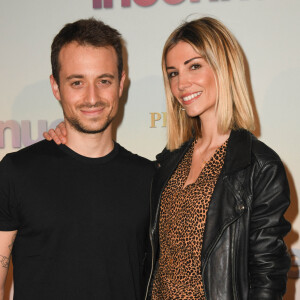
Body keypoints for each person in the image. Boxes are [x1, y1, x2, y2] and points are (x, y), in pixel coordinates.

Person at [44, 17, 291, 300]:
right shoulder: (170, 161)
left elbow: (268, 274)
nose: (182, 83)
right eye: (173, 73)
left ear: (223, 67)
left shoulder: (258, 166)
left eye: (194, 66)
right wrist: (69, 135)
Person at [0, 18, 154, 300]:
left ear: (121, 84)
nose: (92, 97)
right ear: (56, 87)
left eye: (104, 81)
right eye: (77, 82)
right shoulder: (16, 172)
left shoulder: (151, 178)